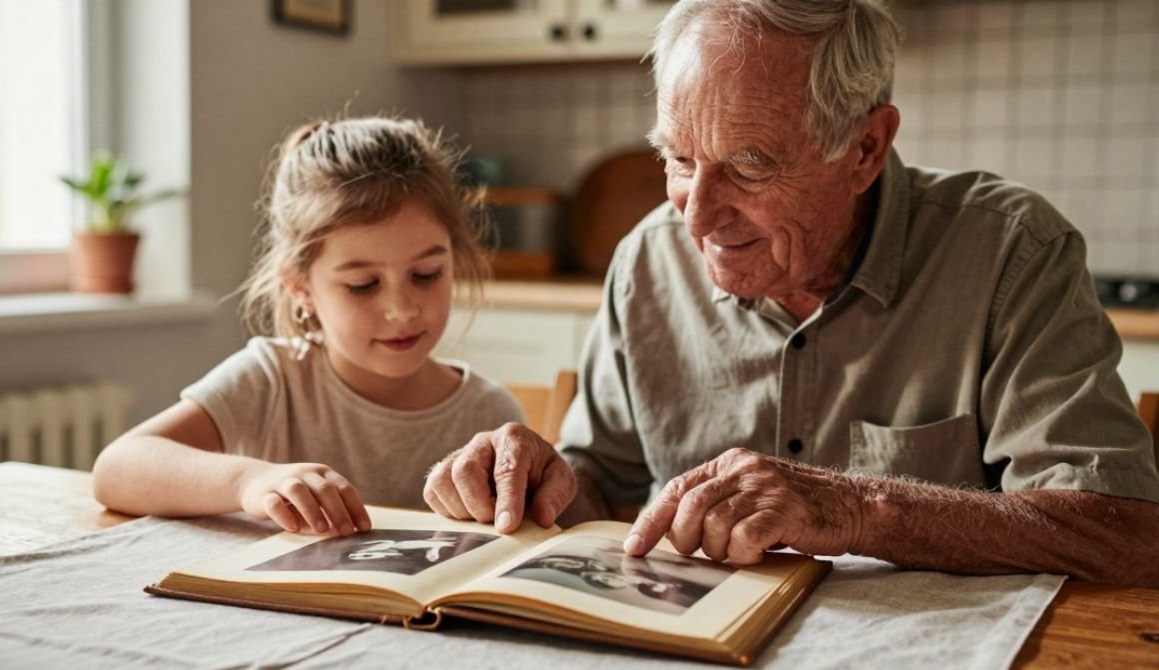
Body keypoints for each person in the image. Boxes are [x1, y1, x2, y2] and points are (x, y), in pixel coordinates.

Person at [423, 0, 1159, 586]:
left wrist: (858, 508)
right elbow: (603, 490)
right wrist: (538, 482)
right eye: (678, 159)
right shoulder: (648, 258)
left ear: (866, 148)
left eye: (748, 166)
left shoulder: (1010, 254)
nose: (698, 214)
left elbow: (1125, 532)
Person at [94, 116, 523, 536]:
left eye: (426, 274)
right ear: (301, 287)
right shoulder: (273, 378)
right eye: (362, 285)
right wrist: (249, 482)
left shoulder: (488, 414)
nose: (401, 310)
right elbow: (118, 467)